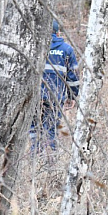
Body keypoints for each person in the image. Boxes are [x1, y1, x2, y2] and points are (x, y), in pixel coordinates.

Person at [30, 20, 80, 152]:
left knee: (34, 131)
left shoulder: (34, 46)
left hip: (34, 97)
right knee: (51, 130)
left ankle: (34, 161)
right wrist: (72, 96)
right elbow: (73, 77)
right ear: (58, 33)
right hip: (55, 98)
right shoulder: (67, 49)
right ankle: (49, 164)